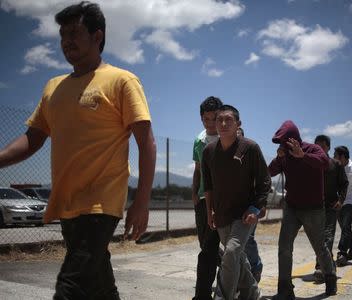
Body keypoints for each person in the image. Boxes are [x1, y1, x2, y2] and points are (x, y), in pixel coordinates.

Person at [0, 2, 156, 299]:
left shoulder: (121, 80)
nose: (66, 41)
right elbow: (32, 140)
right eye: (62, 35)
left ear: (97, 37)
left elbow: (146, 141)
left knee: (69, 287)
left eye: (74, 32)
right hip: (67, 202)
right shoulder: (53, 87)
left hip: (100, 202)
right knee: (98, 284)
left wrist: (142, 201)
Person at [202, 105, 271, 300]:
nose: (223, 124)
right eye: (219, 120)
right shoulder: (208, 151)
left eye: (228, 120)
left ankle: (222, 296)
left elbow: (264, 180)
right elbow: (208, 185)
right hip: (222, 214)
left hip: (244, 215)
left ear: (238, 124)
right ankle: (252, 292)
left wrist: (255, 208)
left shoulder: (250, 147)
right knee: (237, 258)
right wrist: (209, 211)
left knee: (231, 252)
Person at [269, 121, 337, 298]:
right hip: (292, 207)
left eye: (285, 142)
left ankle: (330, 279)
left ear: (295, 139)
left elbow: (325, 164)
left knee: (320, 247)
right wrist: (279, 158)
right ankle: (285, 289)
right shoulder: (285, 155)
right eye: (281, 144)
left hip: (313, 209)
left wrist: (302, 156)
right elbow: (269, 172)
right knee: (284, 246)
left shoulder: (313, 149)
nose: (284, 146)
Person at [192, 96, 223, 300]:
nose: (210, 123)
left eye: (214, 118)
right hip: (203, 200)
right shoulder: (199, 140)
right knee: (206, 245)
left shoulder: (228, 137)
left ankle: (202, 295)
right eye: (206, 119)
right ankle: (243, 276)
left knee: (208, 251)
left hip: (222, 200)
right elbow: (197, 170)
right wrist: (194, 193)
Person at [313, 135, 348, 281]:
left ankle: (321, 267)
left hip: (331, 207)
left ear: (327, 147)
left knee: (327, 237)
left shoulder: (336, 165)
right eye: (316, 145)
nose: (318, 148)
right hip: (314, 207)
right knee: (317, 238)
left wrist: (340, 200)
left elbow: (344, 184)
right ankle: (328, 262)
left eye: (321, 145)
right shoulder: (311, 163)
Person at [237, 127, 265, 283]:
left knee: (248, 239)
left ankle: (256, 267)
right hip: (232, 206)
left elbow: (262, 181)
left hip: (250, 205)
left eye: (239, 135)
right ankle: (241, 272)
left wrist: (261, 204)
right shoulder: (223, 154)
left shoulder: (252, 154)